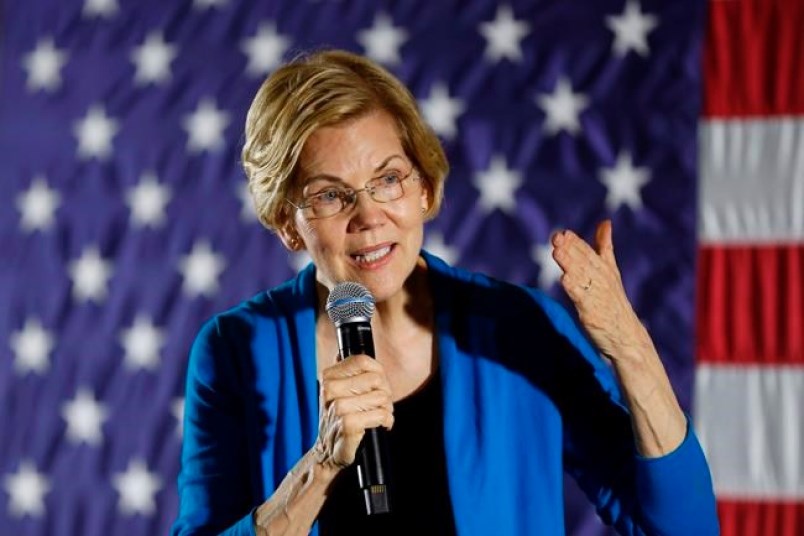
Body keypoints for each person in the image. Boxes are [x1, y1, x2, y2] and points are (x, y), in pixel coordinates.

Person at [171, 50, 719, 536]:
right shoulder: (235, 350)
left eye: (388, 179)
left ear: (425, 187)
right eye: (330, 196)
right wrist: (322, 467)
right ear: (288, 224)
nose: (369, 217)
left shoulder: (521, 326)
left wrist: (632, 351)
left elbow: (679, 529)